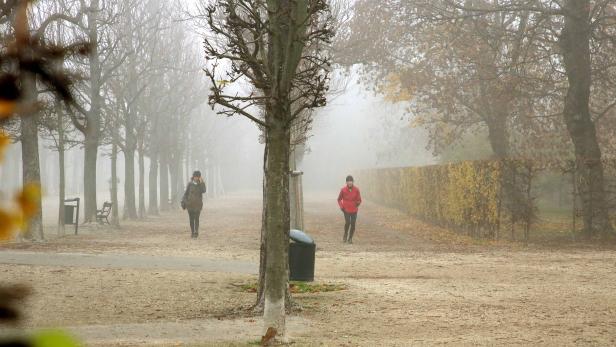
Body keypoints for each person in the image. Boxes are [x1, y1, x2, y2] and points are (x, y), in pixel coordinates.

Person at [182, 171, 206, 239]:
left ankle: (196, 231)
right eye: (195, 176)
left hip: (198, 204)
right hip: (190, 204)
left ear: (199, 177)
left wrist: (202, 182)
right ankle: (192, 232)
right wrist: (184, 201)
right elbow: (186, 193)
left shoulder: (201, 184)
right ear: (193, 176)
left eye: (197, 177)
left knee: (197, 218)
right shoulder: (190, 184)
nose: (196, 178)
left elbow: (203, 190)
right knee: (191, 219)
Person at [337, 175, 362, 244]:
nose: (350, 182)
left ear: (353, 182)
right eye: (348, 181)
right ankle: (345, 234)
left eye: (351, 181)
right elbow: (339, 199)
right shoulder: (343, 190)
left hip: (354, 210)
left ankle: (350, 238)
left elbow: (359, 199)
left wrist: (358, 203)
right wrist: (342, 207)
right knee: (348, 222)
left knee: (353, 224)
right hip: (346, 209)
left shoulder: (356, 189)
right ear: (346, 182)